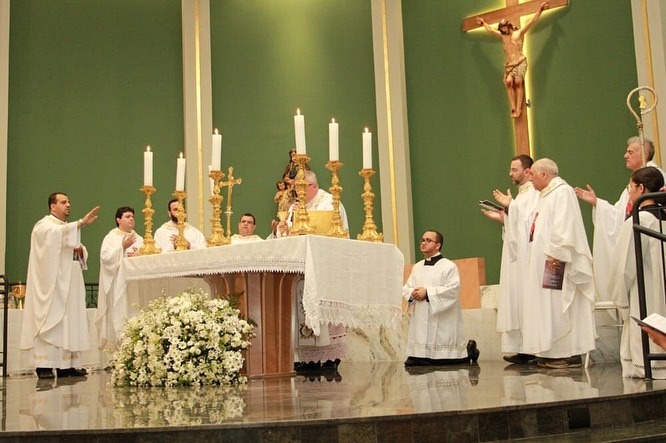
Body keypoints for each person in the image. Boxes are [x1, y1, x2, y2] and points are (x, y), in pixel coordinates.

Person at [507, 158, 596, 369]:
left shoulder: (562, 192)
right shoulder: (545, 195)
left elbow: (564, 225)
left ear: (544, 174)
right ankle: (553, 351)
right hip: (544, 261)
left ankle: (569, 353)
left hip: (557, 261)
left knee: (559, 305)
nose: (530, 178)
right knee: (549, 306)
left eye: (533, 174)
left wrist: (556, 253)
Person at [19, 192, 100, 380]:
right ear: (52, 206)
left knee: (70, 320)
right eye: (63, 202)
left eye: (69, 202)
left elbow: (73, 247)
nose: (68, 205)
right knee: (53, 320)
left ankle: (67, 365)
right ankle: (44, 365)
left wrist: (80, 250)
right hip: (53, 284)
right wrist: (80, 223)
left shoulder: (66, 228)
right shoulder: (43, 226)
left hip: (70, 281)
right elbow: (53, 237)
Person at [575, 136, 664, 303]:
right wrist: (598, 203)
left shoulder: (657, 177)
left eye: (630, 152)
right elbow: (620, 216)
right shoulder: (634, 183)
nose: (625, 155)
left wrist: (619, 297)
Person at [608, 167, 666, 378]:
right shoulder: (663, 218)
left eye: (630, 187)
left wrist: (620, 298)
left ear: (641, 188)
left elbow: (624, 266)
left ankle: (649, 368)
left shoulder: (638, 220)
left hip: (646, 291)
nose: (629, 192)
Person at [480, 155, 539, 364]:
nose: (510, 173)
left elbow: (532, 223)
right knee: (515, 297)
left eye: (514, 169)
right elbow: (518, 222)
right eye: (510, 169)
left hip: (526, 257)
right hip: (514, 256)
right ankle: (522, 347)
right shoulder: (521, 196)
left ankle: (533, 347)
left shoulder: (534, 194)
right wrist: (504, 217)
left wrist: (510, 207)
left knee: (526, 298)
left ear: (527, 171)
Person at [403, 230, 479, 366]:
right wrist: (413, 293)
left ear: (438, 245)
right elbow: (407, 287)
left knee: (447, 360)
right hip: (421, 314)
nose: (423, 243)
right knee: (414, 361)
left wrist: (427, 293)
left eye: (428, 240)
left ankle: (470, 351)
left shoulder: (448, 266)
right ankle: (421, 354)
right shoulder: (417, 267)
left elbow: (453, 289)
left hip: (442, 317)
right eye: (422, 240)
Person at [477, 2, 549, 118]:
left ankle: (519, 108)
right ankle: (513, 107)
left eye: (505, 29)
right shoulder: (503, 37)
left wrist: (540, 10)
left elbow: (532, 22)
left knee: (518, 82)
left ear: (509, 26)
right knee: (509, 82)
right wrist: (483, 23)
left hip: (520, 62)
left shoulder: (518, 33)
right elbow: (490, 30)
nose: (504, 31)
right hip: (510, 65)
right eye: (502, 30)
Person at [96, 206, 144, 352]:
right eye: (127, 217)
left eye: (132, 216)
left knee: (134, 312)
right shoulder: (111, 238)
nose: (131, 219)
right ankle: (118, 351)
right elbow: (106, 258)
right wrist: (122, 247)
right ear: (118, 219)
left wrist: (139, 255)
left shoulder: (139, 239)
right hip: (117, 284)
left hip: (134, 285)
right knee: (119, 313)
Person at [274, 170, 349, 237]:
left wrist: (301, 216)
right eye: (296, 187)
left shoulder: (330, 202)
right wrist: (283, 230)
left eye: (302, 187)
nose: (298, 191)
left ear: (314, 186)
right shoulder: (295, 206)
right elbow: (290, 234)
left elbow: (324, 229)